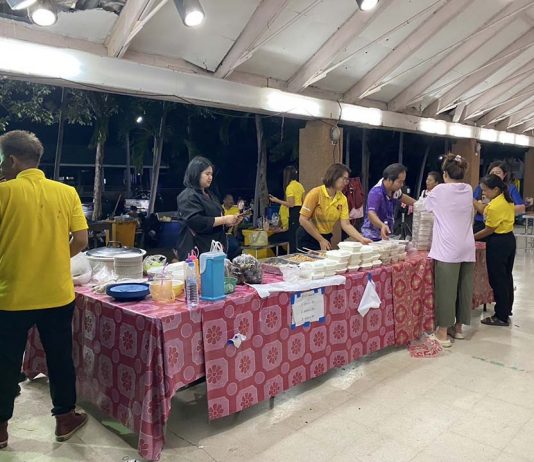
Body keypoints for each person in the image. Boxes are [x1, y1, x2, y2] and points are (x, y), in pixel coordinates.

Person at [0, 130, 89, 450]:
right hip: (57, 294)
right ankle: (65, 418)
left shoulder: (3, 193)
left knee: (5, 362)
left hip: (11, 296)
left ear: (12, 159)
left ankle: (0, 429)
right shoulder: (66, 192)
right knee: (60, 357)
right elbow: (81, 240)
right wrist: (55, 258)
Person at [425, 154, 475, 347]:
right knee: (463, 288)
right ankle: (458, 328)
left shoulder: (439, 190)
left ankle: (442, 333)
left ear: (445, 173)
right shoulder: (468, 189)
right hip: (467, 245)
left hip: (447, 248)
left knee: (446, 290)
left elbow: (425, 207)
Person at [175, 157, 242, 260]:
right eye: (207, 174)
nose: (210, 177)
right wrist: (224, 219)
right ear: (196, 173)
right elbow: (196, 221)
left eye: (211, 174)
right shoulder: (187, 196)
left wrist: (230, 222)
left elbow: (217, 222)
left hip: (216, 249)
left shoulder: (211, 195)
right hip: (197, 250)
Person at [297, 163, 372, 251]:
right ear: (334, 176)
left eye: (347, 180)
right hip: (308, 236)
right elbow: (303, 219)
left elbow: (346, 224)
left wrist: (361, 238)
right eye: (344, 179)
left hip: (326, 237)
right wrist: (320, 240)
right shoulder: (315, 193)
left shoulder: (342, 199)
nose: (346, 183)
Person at [475, 174, 516, 326]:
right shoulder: (506, 200)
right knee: (506, 277)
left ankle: (500, 316)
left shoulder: (495, 206)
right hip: (509, 240)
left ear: (496, 189)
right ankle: (505, 310)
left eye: (486, 190)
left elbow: (489, 229)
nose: (483, 193)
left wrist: (471, 237)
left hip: (499, 243)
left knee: (497, 279)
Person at [361, 163, 416, 241]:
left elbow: (402, 197)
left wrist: (419, 204)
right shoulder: (376, 192)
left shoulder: (394, 190)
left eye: (403, 182)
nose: (402, 185)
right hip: (372, 236)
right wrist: (382, 225)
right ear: (389, 180)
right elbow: (371, 214)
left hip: (386, 234)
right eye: (400, 182)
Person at [473, 161, 524, 233]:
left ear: (504, 175)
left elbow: (521, 207)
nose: (495, 175)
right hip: (480, 222)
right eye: (492, 172)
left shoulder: (510, 187)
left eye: (498, 173)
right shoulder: (480, 187)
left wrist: (500, 210)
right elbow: (474, 203)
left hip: (501, 225)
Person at [269, 165, 305, 253]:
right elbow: (303, 201)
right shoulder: (300, 185)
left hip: (294, 212)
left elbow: (291, 204)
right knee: (296, 238)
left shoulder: (290, 187)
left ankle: (292, 256)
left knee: (293, 239)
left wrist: (277, 200)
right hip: (300, 212)